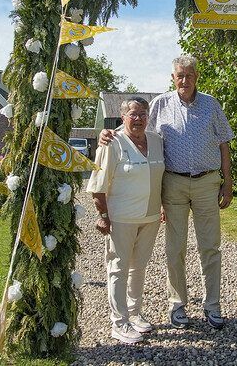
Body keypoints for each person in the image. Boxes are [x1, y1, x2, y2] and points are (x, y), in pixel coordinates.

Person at [100, 55, 233, 330]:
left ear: (197, 76)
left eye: (189, 75)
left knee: (210, 247)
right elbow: (135, 131)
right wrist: (108, 133)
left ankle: (213, 305)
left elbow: (224, 144)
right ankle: (178, 305)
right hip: (172, 184)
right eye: (179, 75)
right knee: (175, 247)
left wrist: (227, 182)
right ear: (173, 78)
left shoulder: (211, 104)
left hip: (208, 182)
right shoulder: (161, 104)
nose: (184, 80)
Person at [87, 97, 165, 344]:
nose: (139, 118)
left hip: (150, 217)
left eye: (143, 114)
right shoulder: (112, 142)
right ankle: (119, 323)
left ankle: (134, 313)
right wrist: (102, 216)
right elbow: (98, 185)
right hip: (121, 218)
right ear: (123, 117)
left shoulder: (156, 141)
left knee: (139, 267)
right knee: (118, 269)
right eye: (133, 114)